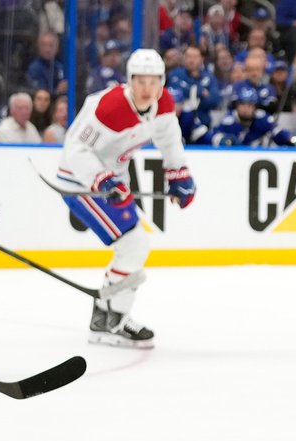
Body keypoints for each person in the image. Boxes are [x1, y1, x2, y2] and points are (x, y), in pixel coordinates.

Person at [53, 48, 195, 348]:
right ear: (129, 80)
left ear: (162, 82)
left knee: (132, 247)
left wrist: (178, 173)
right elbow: (76, 151)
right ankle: (114, 318)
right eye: (140, 81)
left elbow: (169, 140)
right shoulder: (108, 107)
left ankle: (104, 318)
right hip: (80, 179)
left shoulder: (163, 103)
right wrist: (101, 179)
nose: (147, 88)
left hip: (114, 176)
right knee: (134, 244)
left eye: (154, 81)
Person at [210, 84, 295, 146]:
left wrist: (290, 138)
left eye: (250, 105)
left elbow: (278, 133)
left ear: (255, 107)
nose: (245, 109)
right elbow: (215, 139)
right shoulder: (227, 122)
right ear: (237, 106)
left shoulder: (263, 118)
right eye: (242, 104)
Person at [167, 45, 222, 127]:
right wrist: (199, 92)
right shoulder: (175, 74)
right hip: (179, 123)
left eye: (195, 57)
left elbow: (215, 99)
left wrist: (190, 101)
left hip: (203, 122)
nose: (191, 60)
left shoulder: (209, 78)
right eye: (188, 56)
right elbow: (175, 91)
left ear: (201, 59)